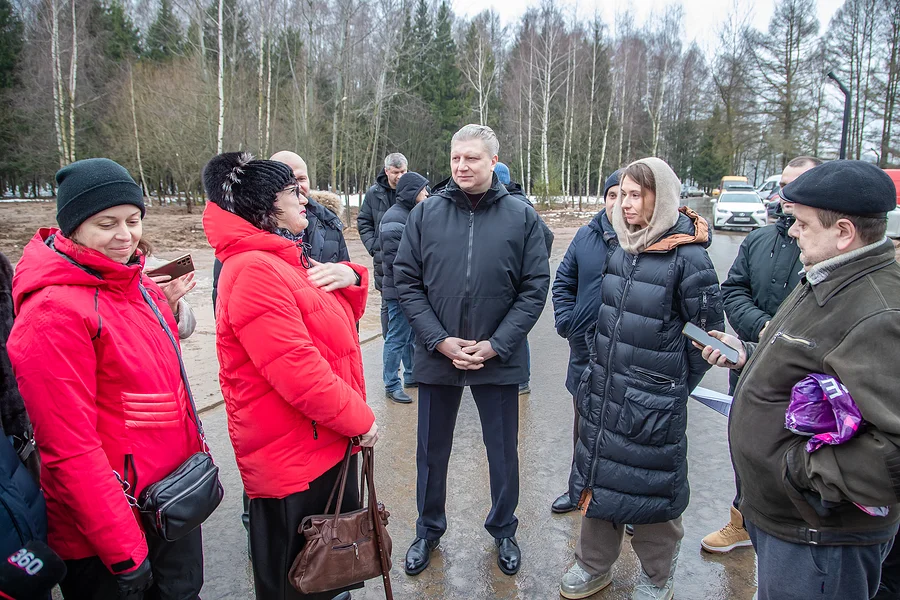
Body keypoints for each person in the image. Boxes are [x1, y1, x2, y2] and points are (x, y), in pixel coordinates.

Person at [697, 160, 900, 600]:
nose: (791, 232)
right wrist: (749, 358)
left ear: (844, 232)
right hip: (791, 520)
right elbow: (812, 364)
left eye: (803, 223)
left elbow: (893, 452)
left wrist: (797, 472)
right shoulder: (831, 277)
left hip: (820, 538)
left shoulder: (880, 311)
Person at [7, 158, 205, 599]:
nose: (125, 235)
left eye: (133, 220)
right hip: (112, 531)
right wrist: (125, 553)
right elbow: (69, 449)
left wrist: (168, 306)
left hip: (166, 505)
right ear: (72, 227)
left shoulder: (135, 284)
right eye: (106, 223)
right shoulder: (52, 313)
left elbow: (151, 377)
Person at [202, 152, 378, 600]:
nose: (304, 199)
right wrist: (362, 420)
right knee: (300, 582)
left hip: (318, 443)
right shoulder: (253, 270)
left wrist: (351, 275)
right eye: (290, 192)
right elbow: (299, 372)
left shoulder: (278, 256)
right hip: (294, 460)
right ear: (265, 206)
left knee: (325, 575)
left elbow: (324, 321)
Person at [562, 157, 723, 600]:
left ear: (662, 197)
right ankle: (593, 566)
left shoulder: (689, 260)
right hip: (605, 393)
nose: (625, 205)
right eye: (622, 195)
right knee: (599, 479)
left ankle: (657, 576)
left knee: (654, 491)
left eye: (636, 195)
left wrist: (666, 391)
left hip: (651, 404)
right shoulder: (621, 248)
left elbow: (704, 341)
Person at [394, 124, 550, 577]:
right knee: (431, 451)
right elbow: (405, 282)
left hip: (496, 357)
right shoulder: (425, 216)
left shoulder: (521, 217)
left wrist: (496, 345)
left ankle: (504, 529)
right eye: (456, 158)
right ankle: (427, 530)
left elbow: (534, 288)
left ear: (493, 162)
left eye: (472, 159)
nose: (462, 166)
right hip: (437, 353)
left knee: (503, 450)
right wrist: (439, 340)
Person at [701, 156, 821, 555]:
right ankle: (743, 521)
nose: (787, 196)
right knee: (747, 448)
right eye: (784, 186)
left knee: (798, 456)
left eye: (798, 186)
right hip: (750, 365)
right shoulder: (758, 240)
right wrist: (763, 330)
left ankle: (793, 533)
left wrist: (781, 335)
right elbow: (733, 291)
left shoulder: (821, 251)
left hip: (804, 381)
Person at [549, 169, 622, 514]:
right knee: (583, 429)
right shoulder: (586, 236)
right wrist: (567, 322)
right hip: (585, 353)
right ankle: (579, 490)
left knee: (626, 437)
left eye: (628, 194)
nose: (619, 202)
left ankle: (629, 503)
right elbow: (563, 281)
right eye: (612, 195)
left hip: (629, 360)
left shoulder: (652, 241)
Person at [212, 150, 349, 308]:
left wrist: (353, 276)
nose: (297, 187)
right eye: (289, 185)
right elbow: (224, 300)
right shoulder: (244, 235)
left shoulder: (328, 222)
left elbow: (345, 289)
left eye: (301, 179)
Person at [493, 162, 554, 396]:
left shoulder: (516, 205)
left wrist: (531, 263)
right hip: (509, 278)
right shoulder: (518, 200)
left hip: (514, 280)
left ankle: (521, 380)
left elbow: (546, 237)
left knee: (515, 332)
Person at [378, 172, 429, 404]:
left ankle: (410, 376)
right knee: (396, 337)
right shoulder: (394, 220)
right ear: (412, 192)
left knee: (408, 336)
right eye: (423, 190)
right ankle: (391, 384)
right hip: (399, 290)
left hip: (408, 289)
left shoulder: (409, 214)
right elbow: (399, 261)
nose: (427, 194)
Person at [358, 153, 408, 336]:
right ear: (387, 171)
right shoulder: (374, 193)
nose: (400, 176)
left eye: (403, 171)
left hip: (409, 254)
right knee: (387, 302)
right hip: (383, 258)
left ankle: (409, 353)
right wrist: (373, 246)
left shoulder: (412, 191)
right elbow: (363, 222)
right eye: (396, 172)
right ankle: (390, 345)